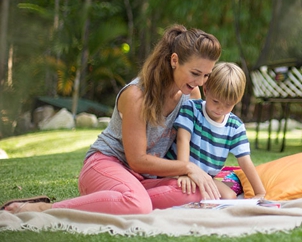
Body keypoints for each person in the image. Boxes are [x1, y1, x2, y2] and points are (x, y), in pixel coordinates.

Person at [1, 25, 223, 214]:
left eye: (206, 75)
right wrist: (186, 167)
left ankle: (119, 200)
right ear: (174, 60)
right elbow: (137, 160)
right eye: (195, 73)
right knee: (138, 205)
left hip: (140, 179)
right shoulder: (137, 95)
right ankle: (47, 209)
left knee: (194, 190)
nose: (201, 83)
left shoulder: (191, 94)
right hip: (105, 166)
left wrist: (197, 170)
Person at [166, 62, 266, 200]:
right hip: (178, 172)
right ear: (206, 90)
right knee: (186, 193)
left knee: (229, 196)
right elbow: (183, 139)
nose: (220, 109)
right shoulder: (191, 109)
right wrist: (184, 172)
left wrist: (260, 192)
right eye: (216, 101)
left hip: (205, 178)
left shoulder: (235, 126)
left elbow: (245, 161)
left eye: (228, 105)